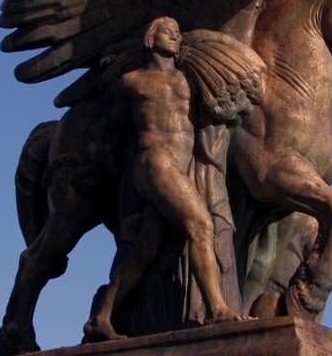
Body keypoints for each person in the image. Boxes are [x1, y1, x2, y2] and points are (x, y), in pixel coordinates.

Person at [83, 17, 251, 341]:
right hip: (155, 162)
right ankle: (217, 309)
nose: (174, 36)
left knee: (145, 248)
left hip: (180, 167)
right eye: (167, 31)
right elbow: (115, 133)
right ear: (150, 37)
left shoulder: (188, 81)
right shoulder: (131, 82)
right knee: (201, 226)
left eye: (177, 33)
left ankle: (101, 316)